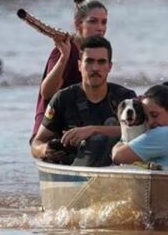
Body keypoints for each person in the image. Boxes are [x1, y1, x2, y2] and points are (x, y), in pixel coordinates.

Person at [31, 36, 136, 167]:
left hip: (114, 169)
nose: (95, 68)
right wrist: (45, 150)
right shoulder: (63, 98)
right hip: (72, 172)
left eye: (101, 62)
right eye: (89, 61)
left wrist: (93, 130)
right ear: (79, 65)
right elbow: (37, 142)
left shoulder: (125, 99)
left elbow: (140, 133)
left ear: (109, 67)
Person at [32, 0, 108, 139]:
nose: (100, 28)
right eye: (93, 22)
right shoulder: (64, 51)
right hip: (51, 125)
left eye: (104, 22)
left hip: (79, 122)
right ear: (78, 24)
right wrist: (64, 57)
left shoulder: (97, 52)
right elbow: (47, 93)